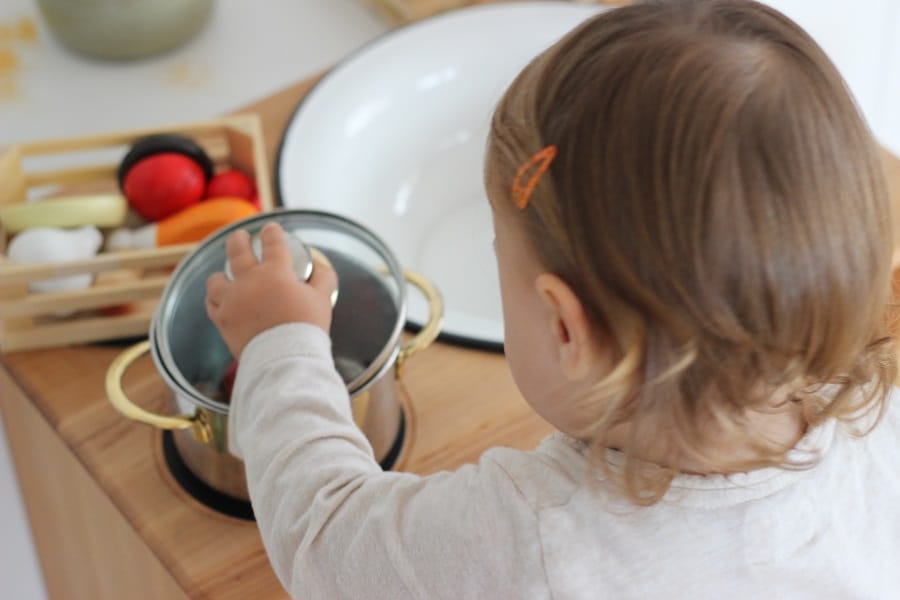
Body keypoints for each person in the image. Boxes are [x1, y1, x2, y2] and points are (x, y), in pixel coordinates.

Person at [204, 0, 900, 597]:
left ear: (566, 327)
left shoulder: (535, 544)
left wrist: (281, 347)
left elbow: (327, 543)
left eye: (497, 261)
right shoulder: (877, 423)